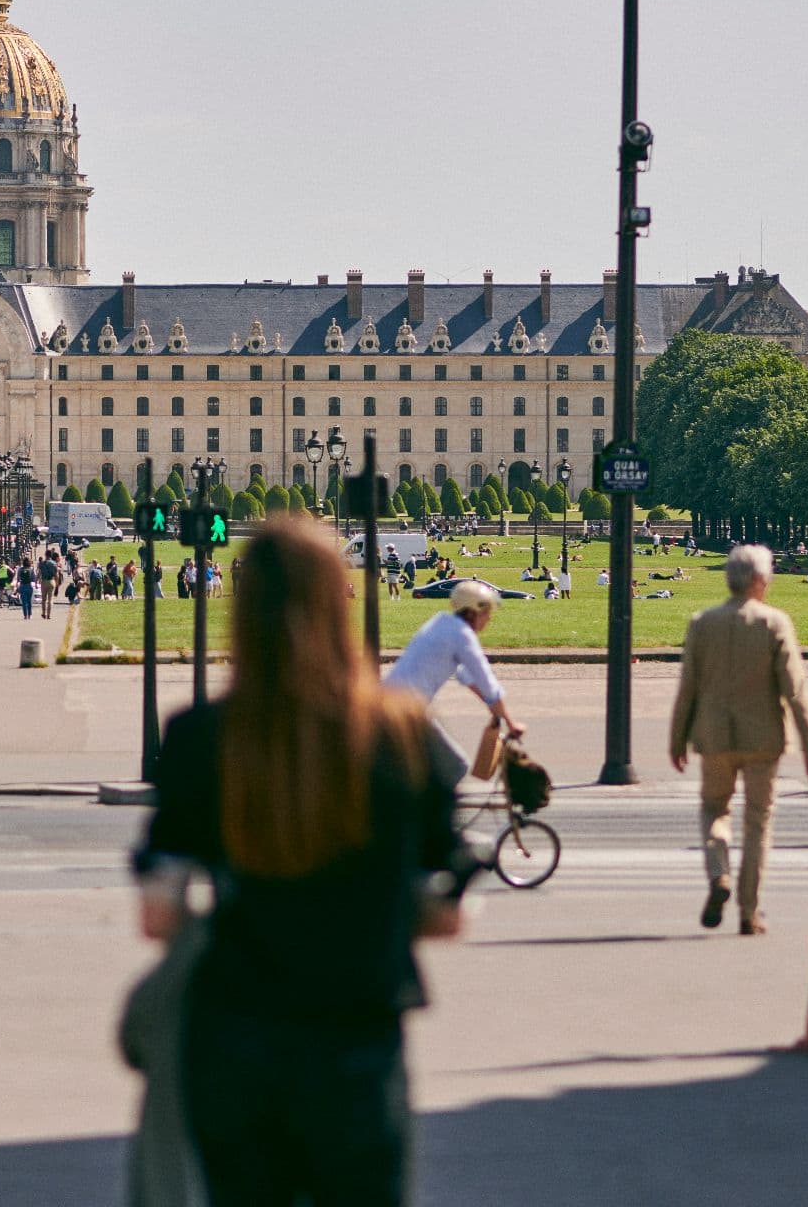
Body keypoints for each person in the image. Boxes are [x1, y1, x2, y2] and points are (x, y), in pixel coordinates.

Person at [135, 517, 470, 1207]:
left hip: (234, 1034)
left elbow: (158, 914)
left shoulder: (201, 739)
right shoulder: (404, 739)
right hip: (358, 1038)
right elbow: (446, 913)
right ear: (339, 599)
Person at [669, 544, 808, 935]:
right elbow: (795, 690)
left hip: (715, 736)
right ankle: (749, 911)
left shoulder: (702, 623)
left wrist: (677, 739)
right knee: (757, 823)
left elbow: (688, 688)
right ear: (759, 581)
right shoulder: (775, 623)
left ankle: (719, 872)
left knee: (714, 810)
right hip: (764, 738)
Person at [383, 579, 520, 789]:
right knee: (455, 767)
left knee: (422, 775)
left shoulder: (441, 623)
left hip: (392, 705)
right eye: (487, 612)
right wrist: (512, 725)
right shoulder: (462, 635)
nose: (490, 618)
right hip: (405, 711)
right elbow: (488, 685)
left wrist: (492, 709)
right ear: (473, 611)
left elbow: (467, 676)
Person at [38, 549, 59, 619]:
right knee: (50, 600)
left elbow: (39, 573)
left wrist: (37, 580)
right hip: (51, 581)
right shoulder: (54, 563)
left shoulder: (42, 563)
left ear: (45, 555)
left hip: (44, 581)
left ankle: (43, 613)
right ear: (51, 555)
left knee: (43, 599)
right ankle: (48, 615)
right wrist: (57, 584)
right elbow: (56, 575)